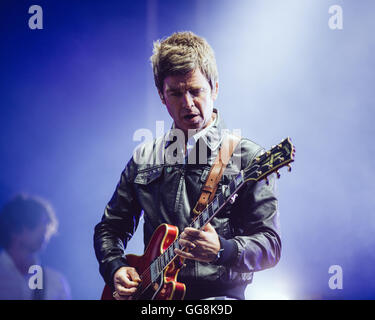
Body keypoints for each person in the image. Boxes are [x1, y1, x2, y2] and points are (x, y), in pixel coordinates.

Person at [94, 31, 281, 300]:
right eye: (176, 93)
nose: (188, 103)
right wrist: (115, 268)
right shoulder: (145, 156)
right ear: (161, 95)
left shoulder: (248, 157)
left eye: (196, 91)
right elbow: (109, 229)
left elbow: (271, 246)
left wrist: (223, 250)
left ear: (215, 88)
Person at [0, 194, 71, 299]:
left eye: (46, 223)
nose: (44, 230)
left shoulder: (56, 282)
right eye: (36, 223)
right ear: (15, 228)